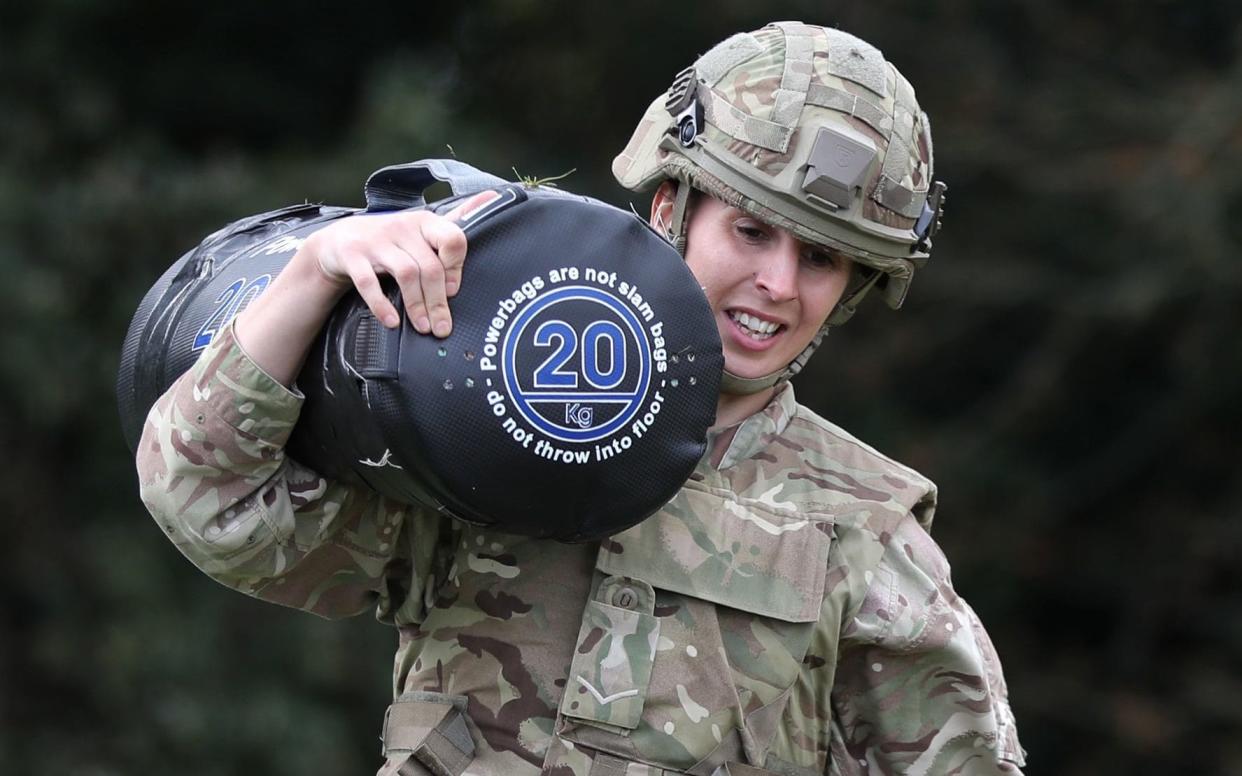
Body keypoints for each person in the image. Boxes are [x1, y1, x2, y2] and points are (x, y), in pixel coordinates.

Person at [137, 22, 1025, 776]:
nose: (778, 285)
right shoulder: (496, 415)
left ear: (857, 286)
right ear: (672, 204)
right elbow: (214, 505)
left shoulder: (860, 528)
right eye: (750, 231)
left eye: (822, 259)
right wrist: (309, 274)